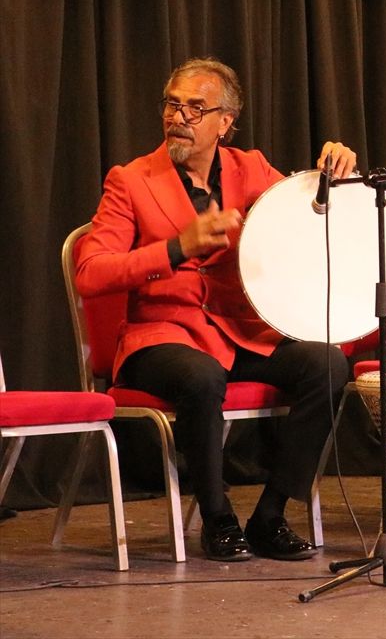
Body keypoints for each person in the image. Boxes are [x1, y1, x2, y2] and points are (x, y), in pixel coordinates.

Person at [75, 57, 353, 562]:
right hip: (162, 337)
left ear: (225, 122)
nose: (178, 116)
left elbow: (306, 213)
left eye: (195, 108)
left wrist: (330, 172)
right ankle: (218, 519)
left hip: (239, 333)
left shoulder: (250, 170)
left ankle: (270, 516)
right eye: (172, 105)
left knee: (328, 365)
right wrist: (177, 248)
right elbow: (91, 273)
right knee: (202, 378)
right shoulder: (132, 180)